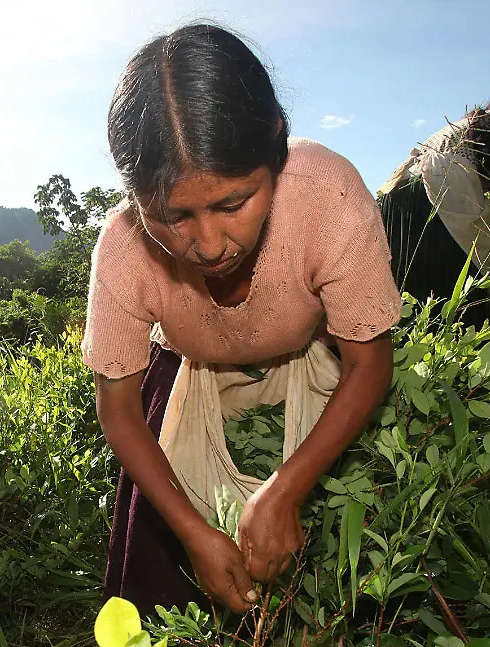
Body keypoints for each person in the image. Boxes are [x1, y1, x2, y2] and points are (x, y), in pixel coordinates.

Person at [84, 24, 401, 616]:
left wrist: (285, 490)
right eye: (173, 216)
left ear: (275, 146)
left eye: (233, 204)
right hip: (187, 367)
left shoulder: (325, 196)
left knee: (351, 562)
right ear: (134, 196)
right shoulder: (124, 245)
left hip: (317, 356)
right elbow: (120, 408)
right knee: (163, 575)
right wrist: (192, 531)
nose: (207, 244)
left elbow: (368, 362)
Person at [377, 87, 490, 325]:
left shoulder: (472, 122)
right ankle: (463, 344)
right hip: (442, 182)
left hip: (399, 188)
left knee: (410, 276)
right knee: (474, 272)